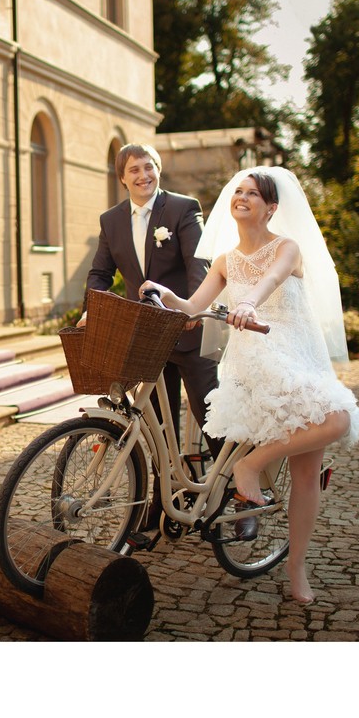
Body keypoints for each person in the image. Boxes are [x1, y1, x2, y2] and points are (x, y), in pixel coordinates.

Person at [140, 166, 359, 603]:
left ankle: (296, 568)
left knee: (311, 463)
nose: (242, 197)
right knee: (333, 422)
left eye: (253, 194)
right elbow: (192, 310)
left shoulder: (288, 248)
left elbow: (272, 278)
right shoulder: (224, 261)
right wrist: (164, 294)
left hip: (301, 357)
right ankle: (249, 469)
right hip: (257, 360)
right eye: (238, 191)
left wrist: (246, 302)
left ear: (271, 208)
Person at [81, 143, 222, 525]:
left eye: (149, 167)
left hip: (186, 329)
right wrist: (90, 310)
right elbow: (100, 273)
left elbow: (200, 262)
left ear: (158, 169)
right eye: (134, 170)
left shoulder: (181, 207)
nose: (143, 176)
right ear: (122, 177)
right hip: (147, 336)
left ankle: (235, 493)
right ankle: (167, 497)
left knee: (209, 411)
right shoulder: (111, 220)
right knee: (158, 425)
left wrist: (191, 306)